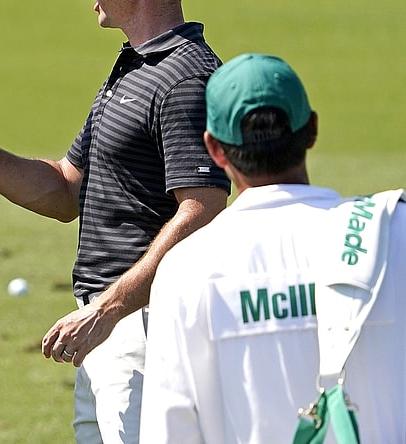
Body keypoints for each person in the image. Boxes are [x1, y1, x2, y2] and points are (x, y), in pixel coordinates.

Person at [0, 1, 230, 441]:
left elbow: (203, 209)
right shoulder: (134, 65)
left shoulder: (185, 78)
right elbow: (66, 190)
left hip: (149, 331)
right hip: (107, 331)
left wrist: (109, 309)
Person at [140, 53, 406, 443]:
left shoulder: (186, 268)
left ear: (214, 149)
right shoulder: (394, 231)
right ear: (311, 129)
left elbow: (170, 432)